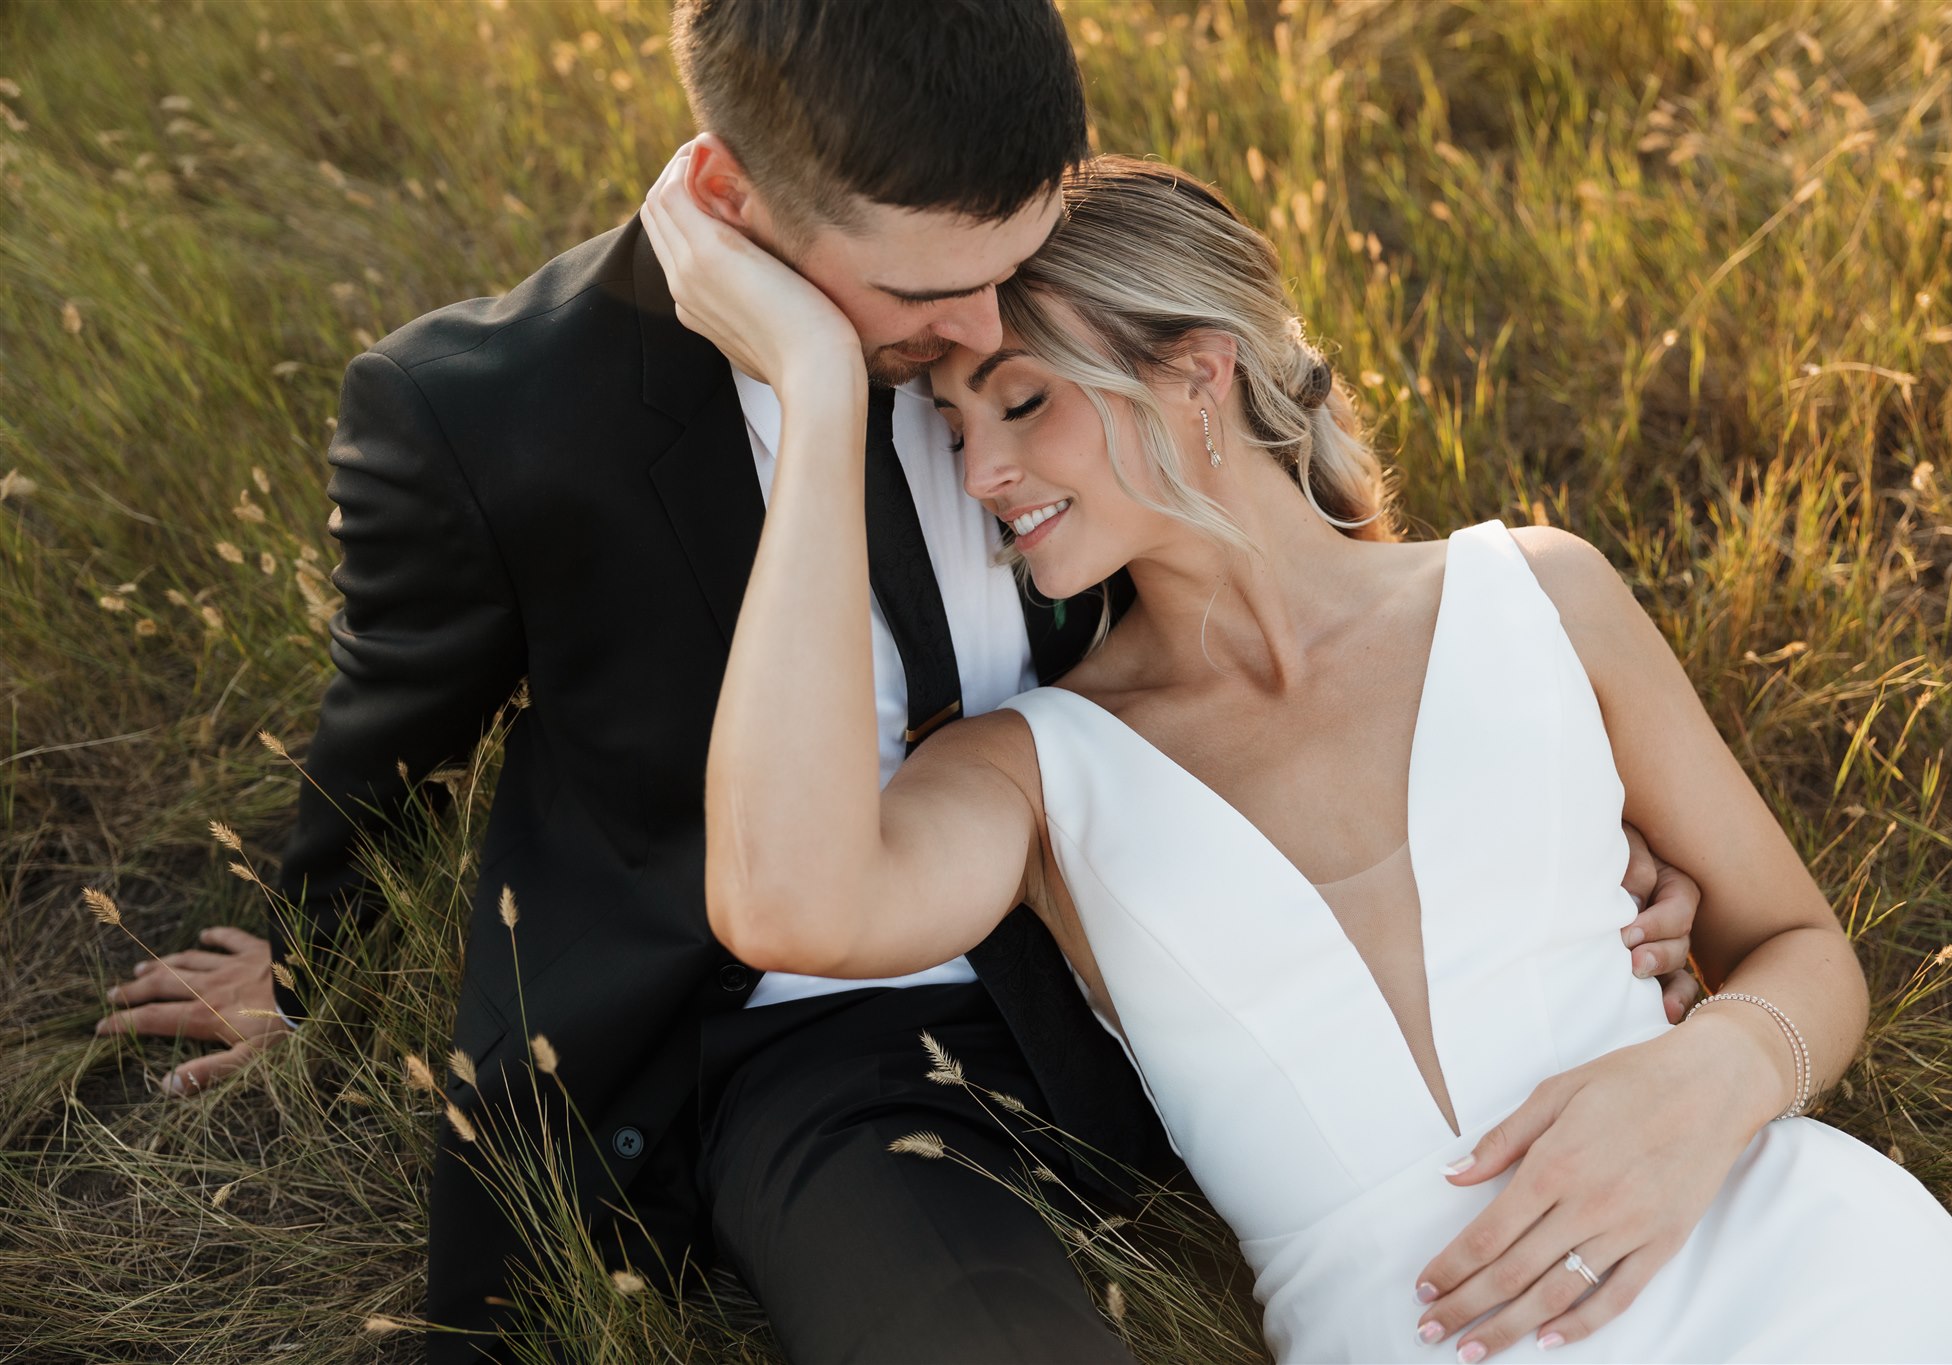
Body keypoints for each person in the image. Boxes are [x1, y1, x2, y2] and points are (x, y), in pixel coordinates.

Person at [94, 4, 1704, 1361]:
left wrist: (1534, 832)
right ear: (733, 194)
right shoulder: (485, 414)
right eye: (927, 303)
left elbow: (1243, 518)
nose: (985, 326)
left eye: (1010, 270)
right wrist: (303, 953)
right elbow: (400, 720)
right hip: (821, 1037)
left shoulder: (1005, 240)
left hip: (1156, 933)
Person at [665, 153, 1952, 1363]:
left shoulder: (1537, 592)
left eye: (1021, 402)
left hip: (1800, 1261)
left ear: (1199, 372)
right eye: (952, 428)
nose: (977, 473)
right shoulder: (1040, 770)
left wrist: (1719, 1074)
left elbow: (1803, 943)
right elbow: (789, 900)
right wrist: (819, 397)